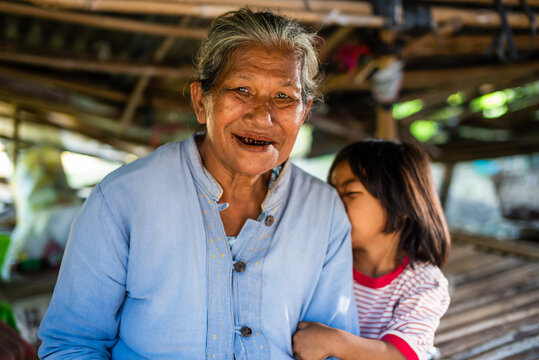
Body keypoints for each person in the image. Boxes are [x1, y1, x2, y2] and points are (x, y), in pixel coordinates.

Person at [38, 8, 358, 359]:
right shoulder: (122, 199)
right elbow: (72, 345)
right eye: (242, 89)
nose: (262, 115)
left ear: (305, 111)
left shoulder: (323, 212)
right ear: (201, 102)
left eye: (284, 97)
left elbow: (335, 349)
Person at [292, 139, 451, 360]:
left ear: (402, 202)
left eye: (350, 194)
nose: (335, 204)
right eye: (332, 194)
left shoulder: (422, 284)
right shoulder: (323, 260)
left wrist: (332, 342)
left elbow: (401, 356)